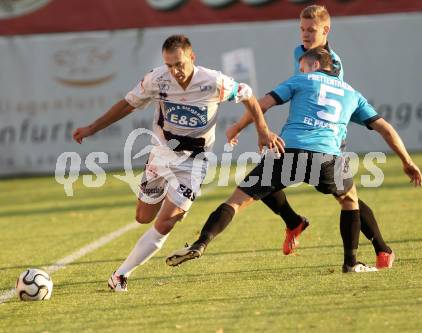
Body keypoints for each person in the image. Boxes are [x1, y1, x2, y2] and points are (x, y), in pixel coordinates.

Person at [166, 47, 422, 273]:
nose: (301, 70)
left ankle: (201, 243)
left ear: (314, 65)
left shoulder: (301, 80)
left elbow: (262, 103)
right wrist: (407, 161)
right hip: (326, 157)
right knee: (349, 199)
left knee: (237, 200)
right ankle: (351, 263)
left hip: (288, 151)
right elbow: (385, 128)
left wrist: (245, 128)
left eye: (303, 66)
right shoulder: (352, 93)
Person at [72, 34, 284, 292]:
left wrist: (263, 130)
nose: (175, 71)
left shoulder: (213, 81)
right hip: (161, 156)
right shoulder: (157, 79)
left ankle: (120, 275)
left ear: (192, 58)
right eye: (170, 65)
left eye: (180, 64)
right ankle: (163, 202)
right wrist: (93, 127)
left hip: (194, 163)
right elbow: (128, 104)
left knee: (165, 223)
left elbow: (249, 96)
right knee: (143, 217)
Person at [227, 4, 396, 270]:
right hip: (302, 135)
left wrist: (240, 125)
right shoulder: (301, 51)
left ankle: (380, 248)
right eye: (302, 29)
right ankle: (295, 222)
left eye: (311, 30)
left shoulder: (333, 63)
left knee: (347, 197)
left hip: (327, 136)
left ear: (326, 31)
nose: (305, 35)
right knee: (267, 179)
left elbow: (328, 100)